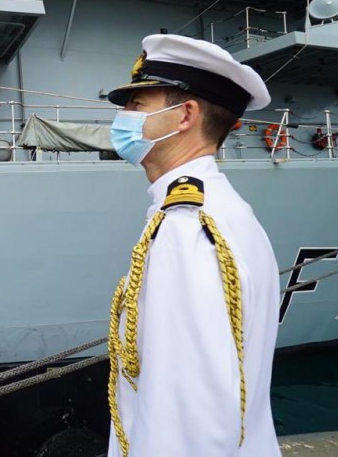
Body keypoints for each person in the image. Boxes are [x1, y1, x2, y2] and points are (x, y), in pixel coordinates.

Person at [105, 34, 280, 457]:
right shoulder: (226, 212)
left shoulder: (187, 229)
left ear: (184, 115)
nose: (123, 116)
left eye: (137, 104)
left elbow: (193, 420)